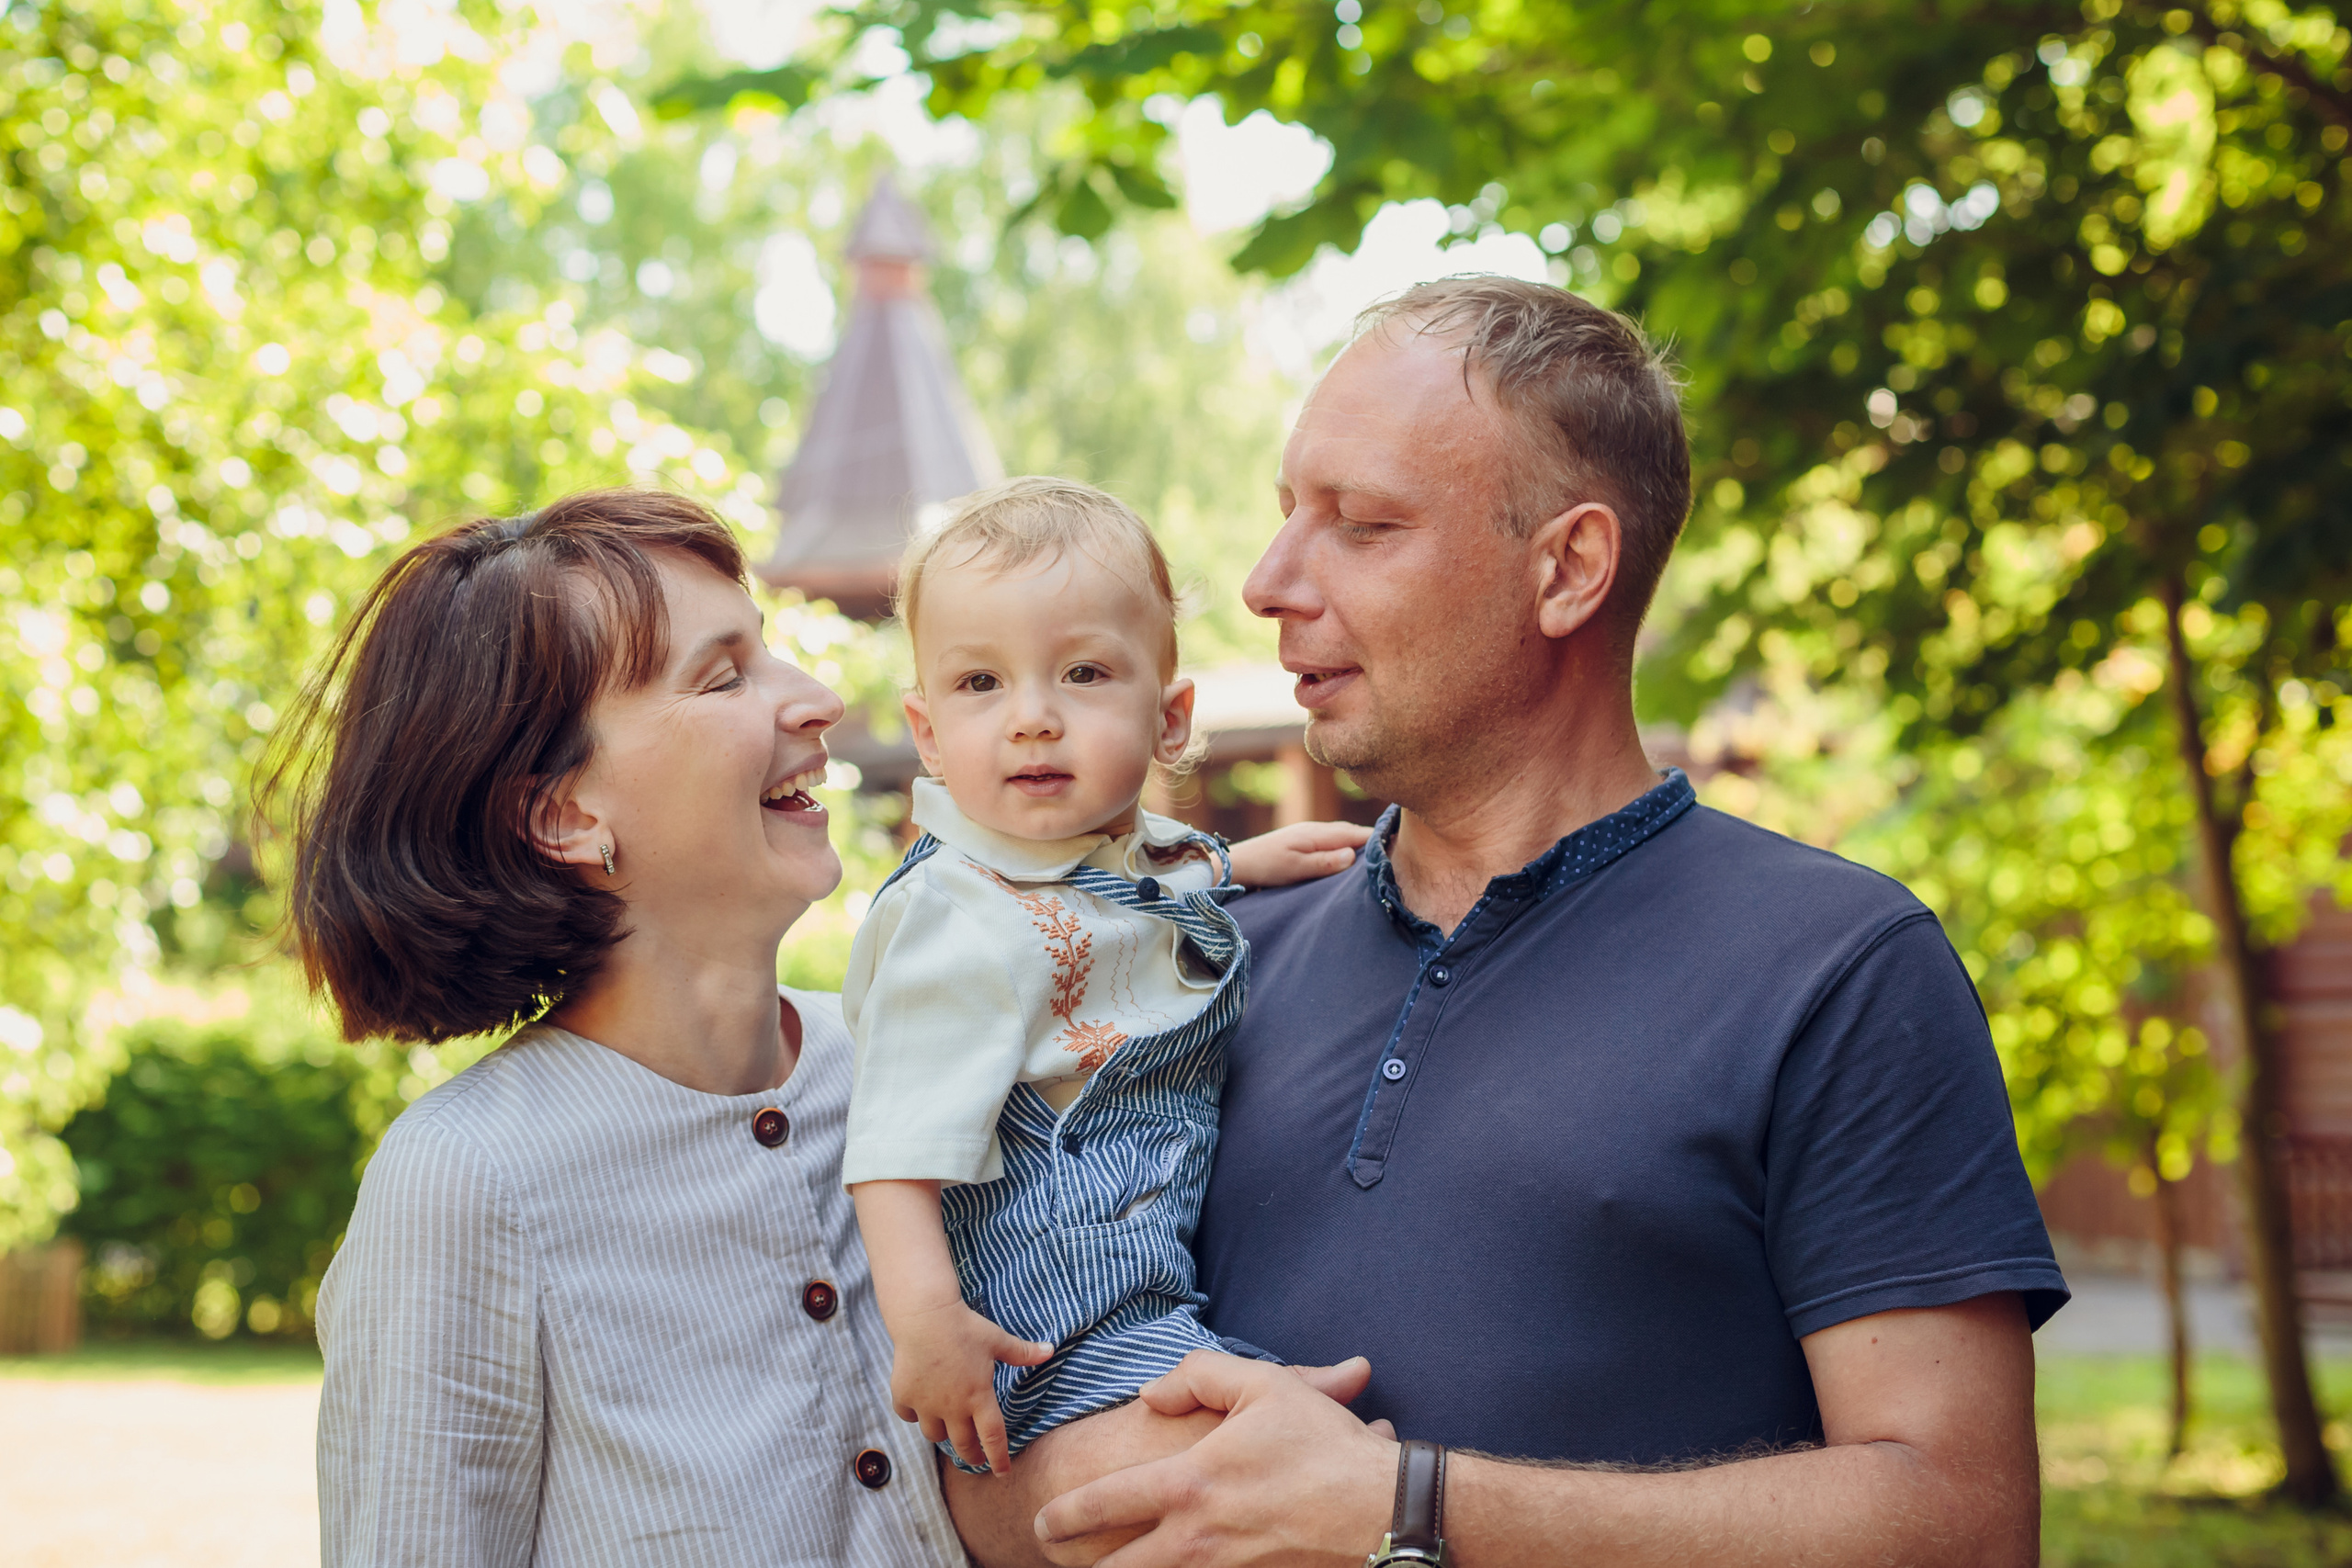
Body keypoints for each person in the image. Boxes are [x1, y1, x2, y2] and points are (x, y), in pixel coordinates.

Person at [946, 277, 2069, 1568]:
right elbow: (976, 1437)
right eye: (1283, 517)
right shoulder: (1206, 946)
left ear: (1569, 569)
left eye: (1361, 524)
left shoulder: (1840, 966)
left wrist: (1407, 1506)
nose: (1265, 584)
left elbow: (1963, 1523)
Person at [276, 491, 968, 1566]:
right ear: (564, 813)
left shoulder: (912, 1065)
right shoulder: (468, 1181)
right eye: (724, 675)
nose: (820, 700)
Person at [842, 478, 1367, 1476]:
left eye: (1082, 673)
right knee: (1279, 1475)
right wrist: (929, 1328)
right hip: (1041, 1325)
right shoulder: (950, 919)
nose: (1031, 718)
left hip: (1143, 1294)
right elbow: (892, 1156)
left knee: (1293, 1436)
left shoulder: (1109, 853)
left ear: (1169, 720)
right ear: (925, 735)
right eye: (979, 684)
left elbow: (1133, 879)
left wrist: (1239, 864)